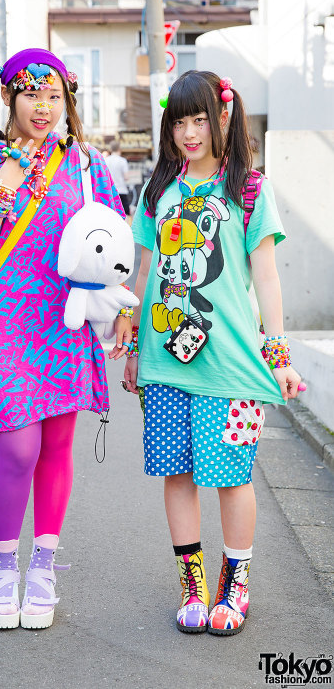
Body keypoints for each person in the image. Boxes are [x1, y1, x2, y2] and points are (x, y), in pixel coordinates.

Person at [0, 48, 131, 631]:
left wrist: (122, 310)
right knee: (17, 451)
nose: (43, 107)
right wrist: (4, 190)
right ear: (9, 98)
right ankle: (3, 567)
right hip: (3, 327)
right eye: (31, 94)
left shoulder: (88, 166)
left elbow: (113, 244)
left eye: (54, 96)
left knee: (56, 448)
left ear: (67, 99)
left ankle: (42, 566)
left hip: (65, 324)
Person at [124, 70, 302, 636]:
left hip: (230, 364)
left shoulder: (249, 190)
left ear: (222, 117)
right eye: (179, 122)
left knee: (231, 476)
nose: (189, 132)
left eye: (199, 119)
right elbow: (145, 273)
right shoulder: (159, 193)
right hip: (163, 360)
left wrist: (278, 353)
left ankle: (236, 583)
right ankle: (192, 587)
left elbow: (267, 280)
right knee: (176, 476)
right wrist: (131, 345)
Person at [105, 140, 131, 216]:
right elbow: (126, 177)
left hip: (110, 191)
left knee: (111, 215)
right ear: (119, 149)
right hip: (122, 191)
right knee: (125, 214)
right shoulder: (122, 161)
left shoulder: (106, 160)